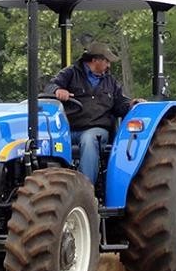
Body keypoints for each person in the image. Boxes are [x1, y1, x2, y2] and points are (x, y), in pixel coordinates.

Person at [44, 41, 135, 184]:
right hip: (68, 129)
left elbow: (120, 104)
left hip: (96, 129)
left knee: (89, 139)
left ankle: (86, 188)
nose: (109, 65)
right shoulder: (71, 73)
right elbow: (49, 86)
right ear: (95, 60)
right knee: (47, 141)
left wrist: (132, 104)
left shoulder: (111, 82)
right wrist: (57, 90)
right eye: (106, 61)